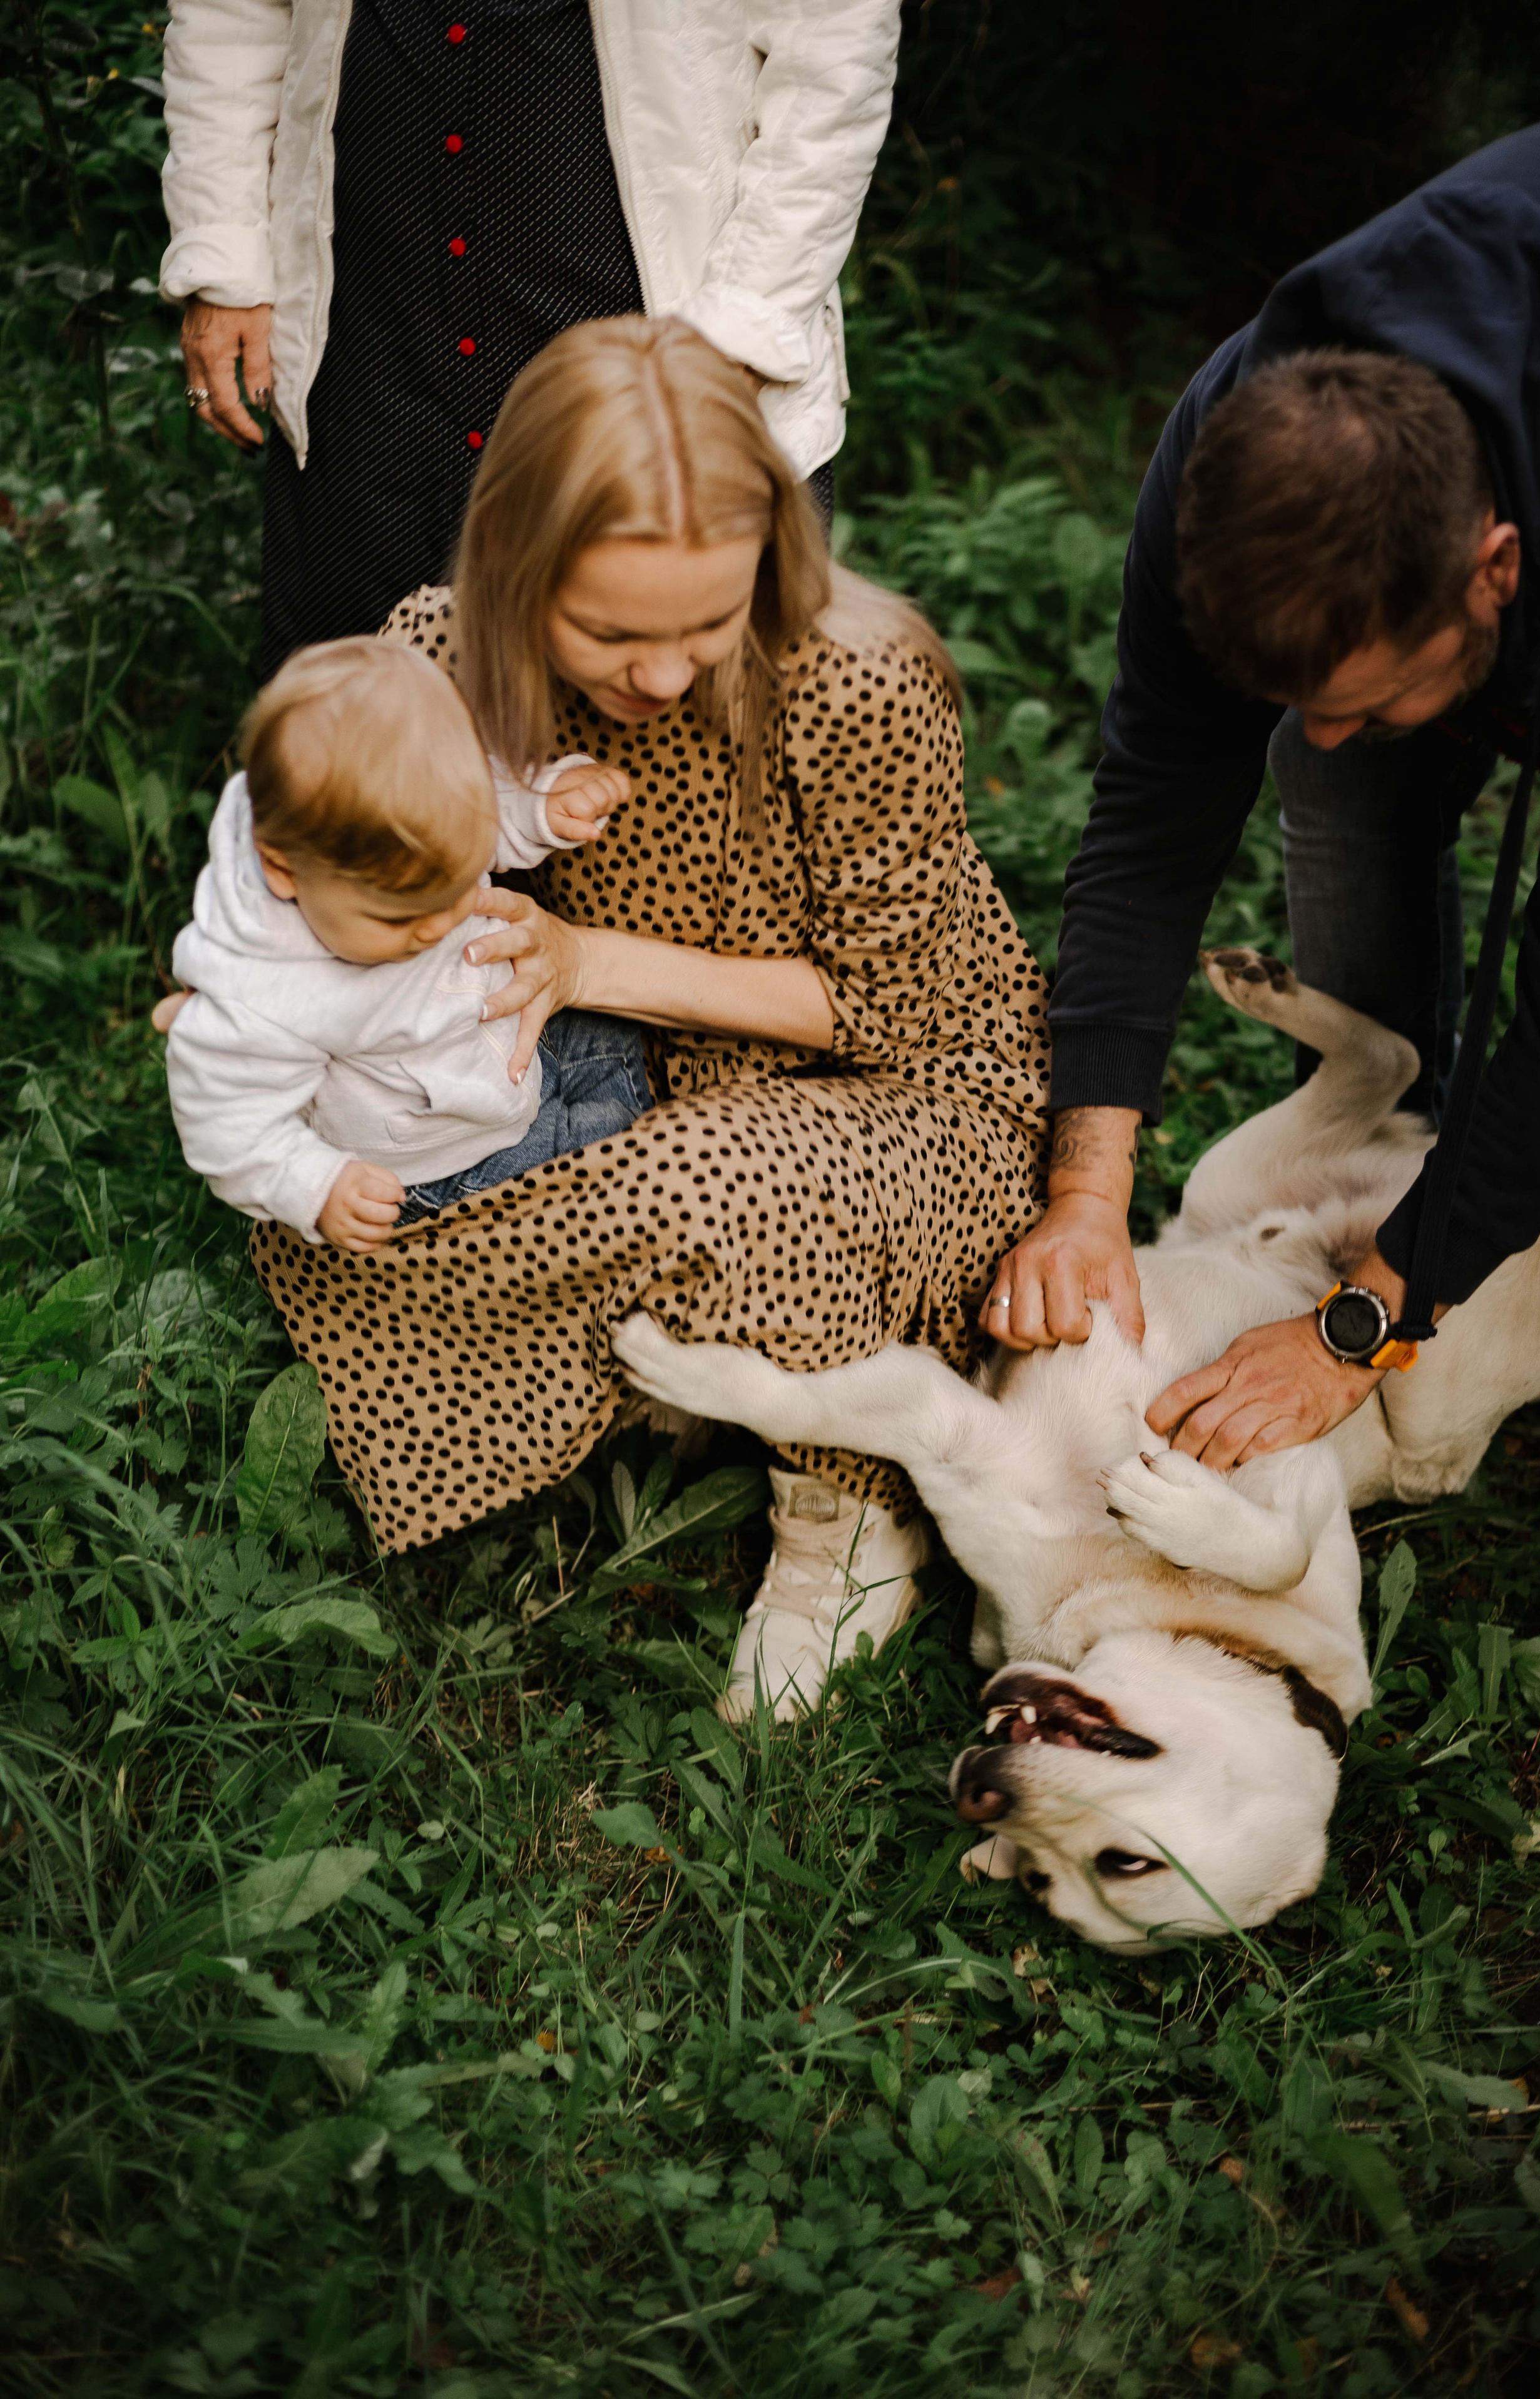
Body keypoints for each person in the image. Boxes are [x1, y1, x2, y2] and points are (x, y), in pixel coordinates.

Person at [228, 315, 1049, 1719]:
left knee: (728, 1179)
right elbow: (333, 858)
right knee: (332, 1161)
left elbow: (888, 1009)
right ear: (511, 568)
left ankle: (844, 1520)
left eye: (704, 627)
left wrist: (583, 960)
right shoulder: (432, 654)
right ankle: (686, 1362)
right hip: (624, 1058)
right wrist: (256, 985)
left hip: (898, 1091)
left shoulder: (853, 679)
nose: (660, 678)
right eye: (608, 632)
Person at [986, 104, 1540, 1467]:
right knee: (1333, 781)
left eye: (1367, 694)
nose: (1321, 738)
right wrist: (1087, 1189)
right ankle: (1393, 1144)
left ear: (1490, 569)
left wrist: (1358, 1329)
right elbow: (1150, 826)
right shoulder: (1229, 456)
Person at [156, 0, 902, 673]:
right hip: (370, 347)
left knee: (690, 747)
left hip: (667, 345)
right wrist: (222, 245)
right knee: (362, 751)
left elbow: (834, 44)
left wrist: (741, 328)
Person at [165, 637, 646, 1250]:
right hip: (447, 1156)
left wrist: (539, 807)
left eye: (458, 885)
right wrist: (319, 1186)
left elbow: (479, 809)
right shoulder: (264, 989)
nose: (442, 924)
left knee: (624, 1038)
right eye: (402, 919)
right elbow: (227, 1124)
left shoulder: (381, 825)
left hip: (493, 1040)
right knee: (611, 1179)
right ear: (283, 871)